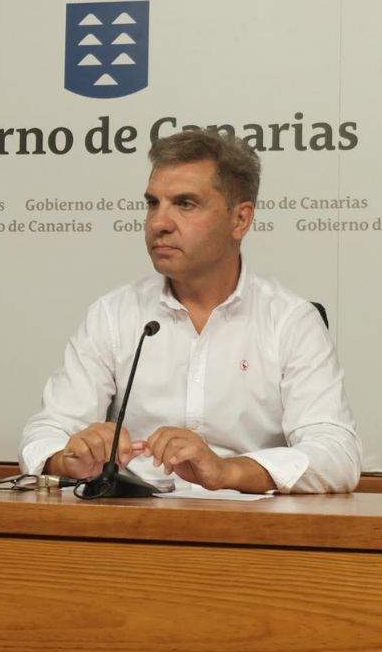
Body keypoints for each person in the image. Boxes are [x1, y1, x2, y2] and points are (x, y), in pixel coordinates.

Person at [20, 130, 362, 494]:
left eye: (185, 204)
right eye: (153, 203)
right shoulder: (115, 314)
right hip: (130, 523)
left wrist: (226, 471)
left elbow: (337, 455)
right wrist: (68, 456)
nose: (158, 223)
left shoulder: (290, 320)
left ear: (240, 220)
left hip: (250, 533)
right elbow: (44, 434)